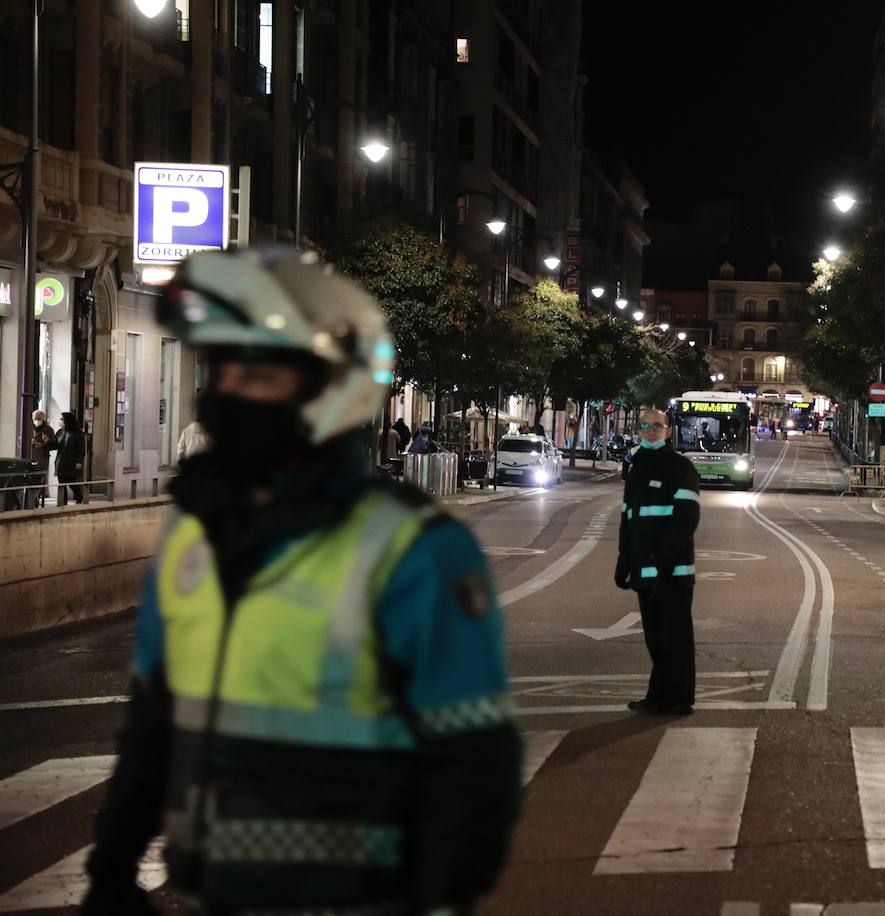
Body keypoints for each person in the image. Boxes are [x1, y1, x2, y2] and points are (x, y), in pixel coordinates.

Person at [80, 248, 521, 916]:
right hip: (211, 896)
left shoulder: (415, 549)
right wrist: (111, 872)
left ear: (329, 386)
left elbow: (474, 762)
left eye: (257, 376)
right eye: (219, 371)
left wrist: (433, 899)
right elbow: (151, 728)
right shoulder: (192, 537)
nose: (228, 393)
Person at [615, 407, 701, 715]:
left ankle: (678, 698)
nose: (651, 431)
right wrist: (624, 559)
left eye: (657, 426)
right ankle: (658, 695)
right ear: (639, 431)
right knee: (655, 637)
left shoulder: (679, 467)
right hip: (643, 569)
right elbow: (629, 517)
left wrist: (667, 556)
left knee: (675, 637)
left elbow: (686, 517)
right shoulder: (637, 467)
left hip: (673, 571)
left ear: (667, 431)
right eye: (645, 426)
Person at [55, 411, 85, 505]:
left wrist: (79, 461)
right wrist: (47, 442)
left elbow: (81, 448)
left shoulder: (78, 433)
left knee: (71, 481)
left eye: (62, 419)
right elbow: (56, 444)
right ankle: (62, 503)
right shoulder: (61, 432)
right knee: (62, 484)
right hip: (61, 461)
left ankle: (79, 497)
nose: (60, 421)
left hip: (72, 462)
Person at [31, 410, 56, 505]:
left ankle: (35, 499)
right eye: (35, 419)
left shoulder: (48, 430)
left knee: (39, 479)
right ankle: (32, 500)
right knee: (30, 480)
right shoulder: (28, 427)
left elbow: (54, 445)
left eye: (39, 419)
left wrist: (43, 444)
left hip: (42, 458)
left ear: (43, 419)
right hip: (30, 457)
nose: (37, 421)